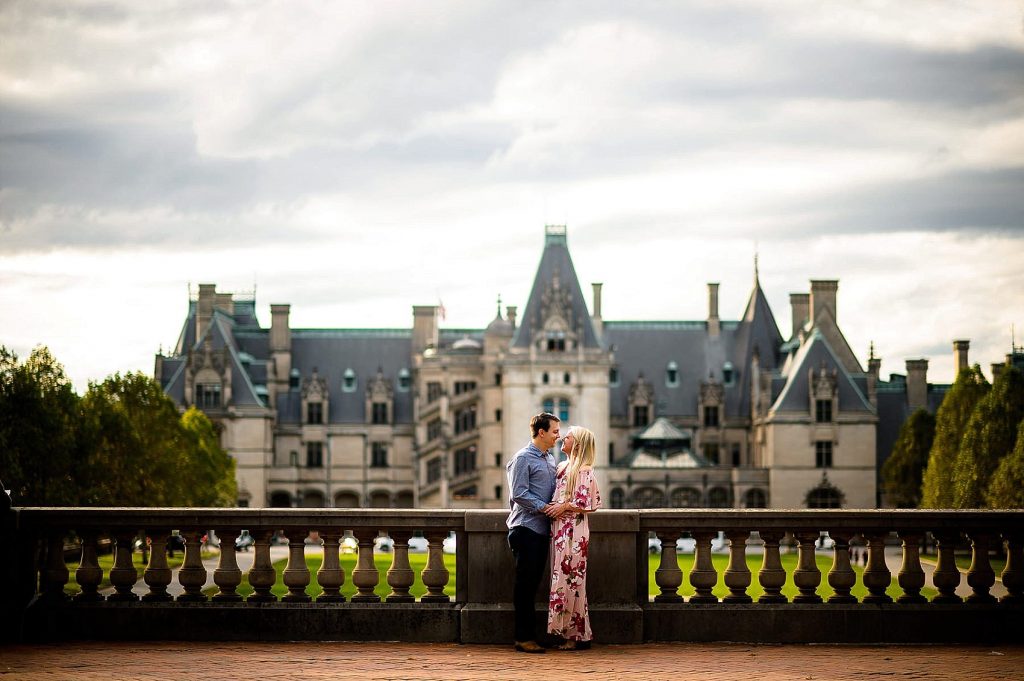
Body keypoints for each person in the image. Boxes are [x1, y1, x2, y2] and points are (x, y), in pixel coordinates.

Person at [506, 412, 563, 654]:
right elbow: (519, 493)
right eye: (555, 431)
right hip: (525, 529)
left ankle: (531, 635)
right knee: (525, 586)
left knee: (533, 586)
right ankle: (523, 638)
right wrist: (545, 508)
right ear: (541, 432)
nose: (558, 436)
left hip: (540, 530)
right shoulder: (522, 458)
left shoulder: (549, 458)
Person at [546, 425, 602, 650]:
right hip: (559, 530)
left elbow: (590, 504)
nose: (562, 438)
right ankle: (571, 632)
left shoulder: (584, 470)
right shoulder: (562, 466)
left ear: (577, 444)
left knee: (572, 580)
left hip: (574, 532)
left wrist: (564, 506)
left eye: (567, 437)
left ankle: (574, 635)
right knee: (561, 578)